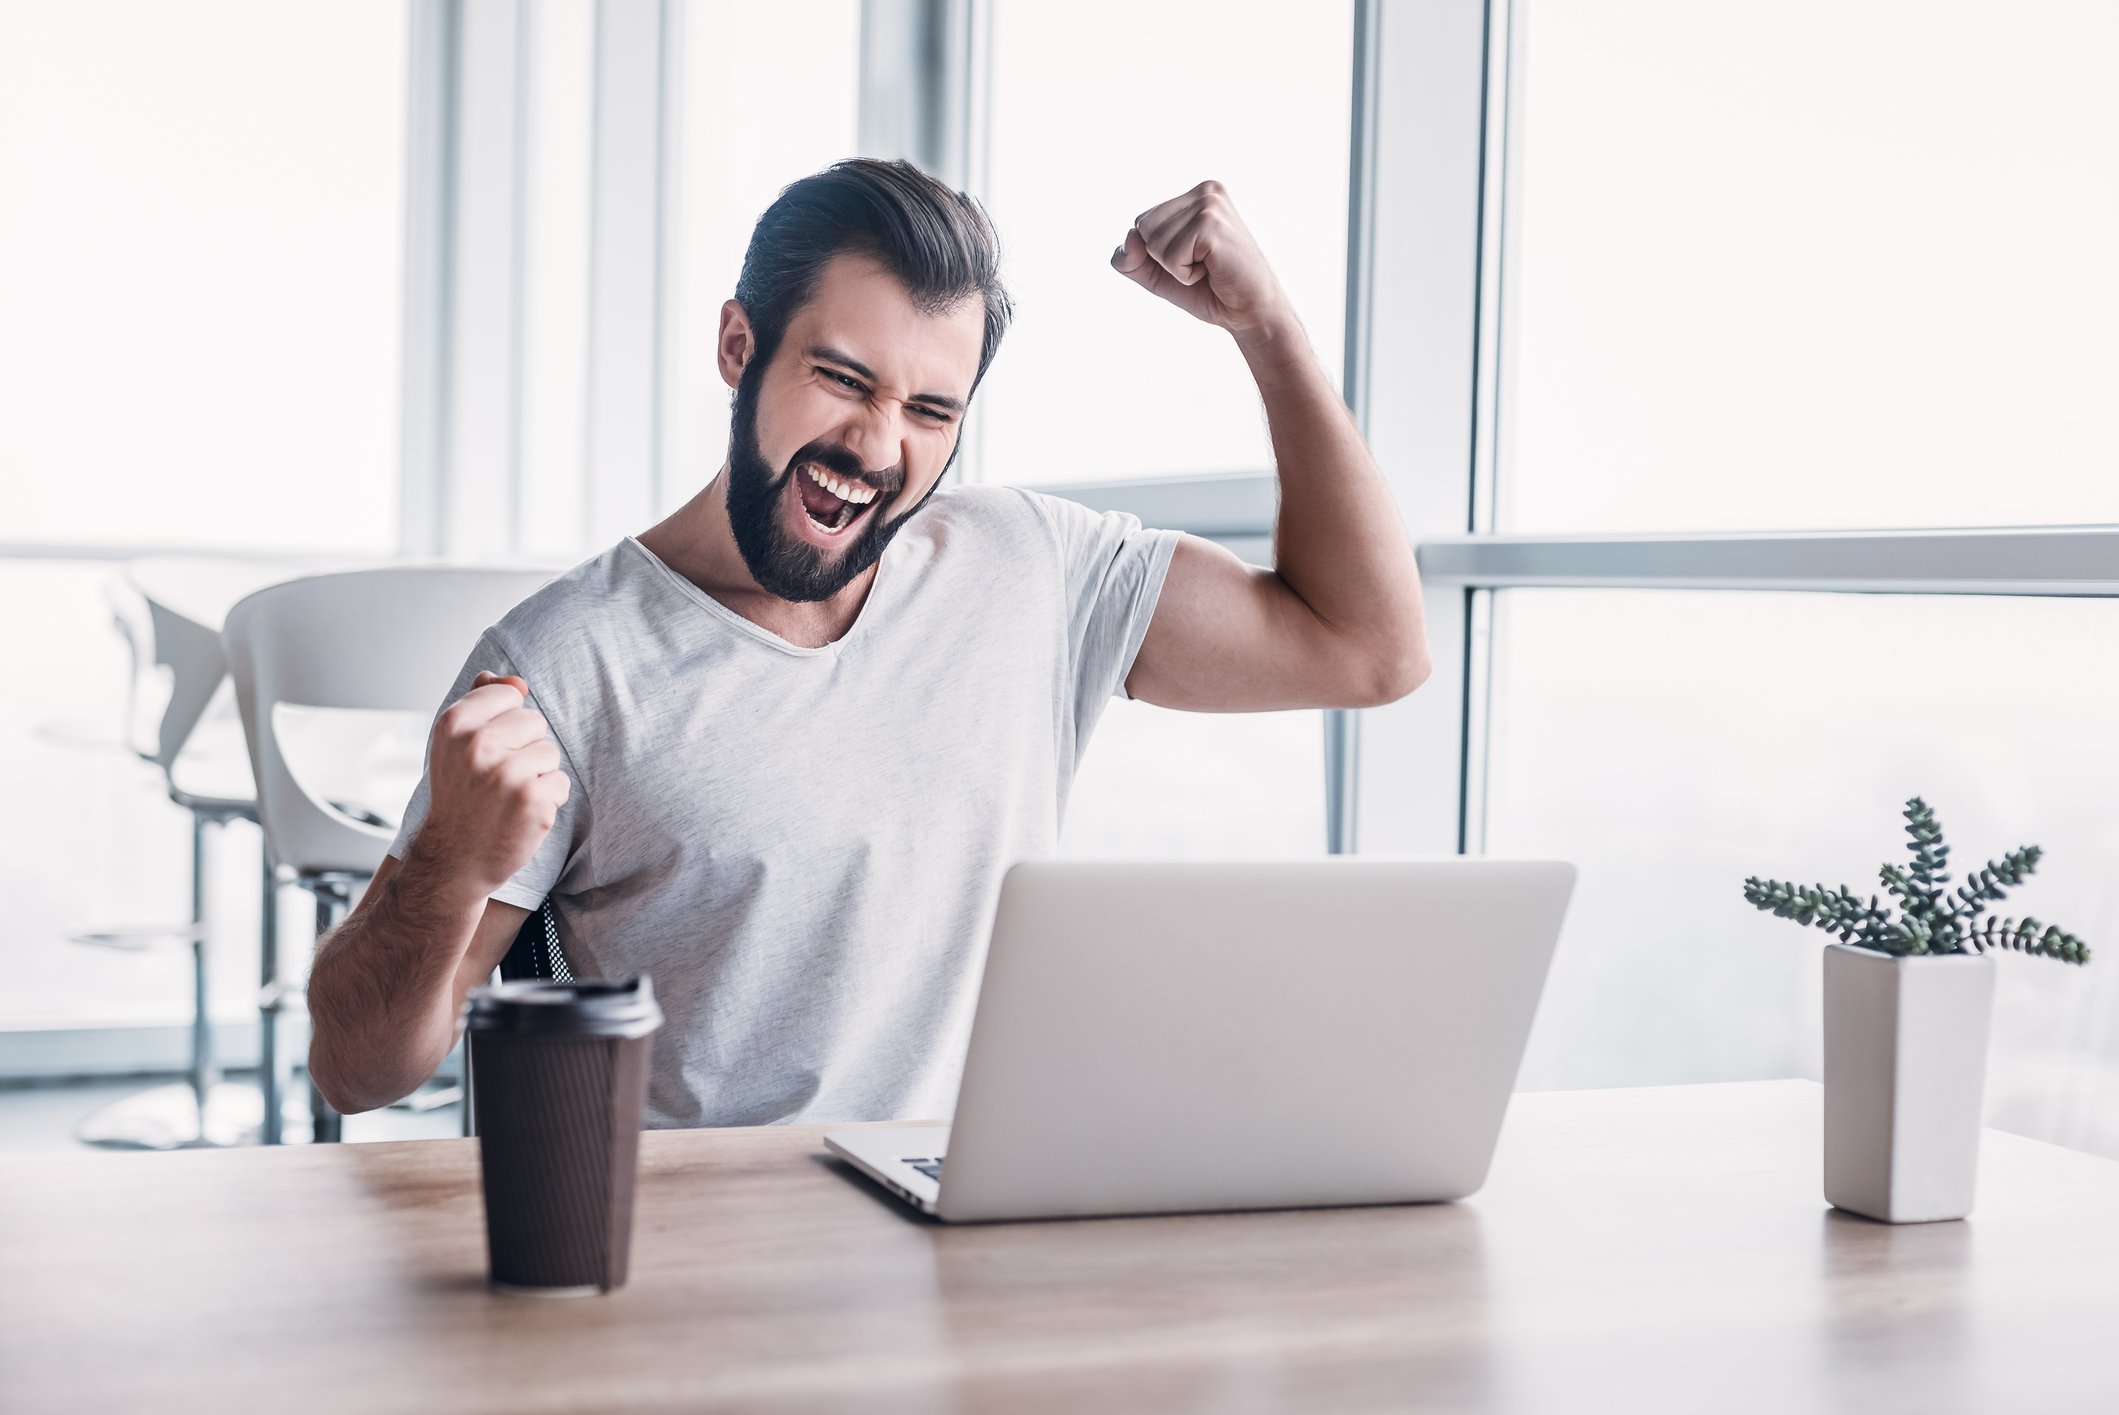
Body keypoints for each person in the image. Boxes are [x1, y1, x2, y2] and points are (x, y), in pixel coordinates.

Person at [307, 158, 1431, 1129]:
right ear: (738, 345)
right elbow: (357, 1071)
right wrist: (451, 859)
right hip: (720, 1267)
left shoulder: (1030, 565)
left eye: (930, 411)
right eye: (841, 379)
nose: (877, 444)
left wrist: (1267, 330)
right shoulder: (566, 663)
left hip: (975, 1224)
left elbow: (1367, 649)